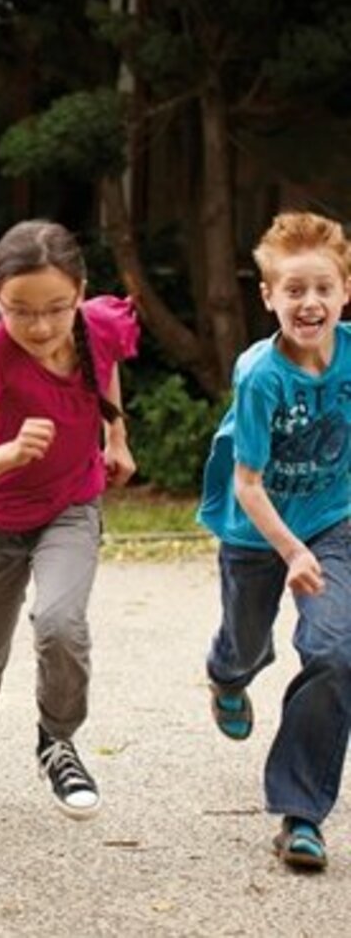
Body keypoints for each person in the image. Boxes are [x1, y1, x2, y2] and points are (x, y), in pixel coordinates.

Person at [0, 219, 138, 819]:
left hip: (71, 505)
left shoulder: (99, 326)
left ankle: (57, 740)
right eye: (20, 311)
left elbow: (107, 366)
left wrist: (116, 436)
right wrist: (11, 452)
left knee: (60, 622)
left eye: (57, 309)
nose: (40, 327)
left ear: (81, 292)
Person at [199, 211, 351, 872]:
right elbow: (250, 482)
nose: (309, 302)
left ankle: (301, 813)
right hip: (257, 530)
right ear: (268, 296)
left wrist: (313, 543)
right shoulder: (261, 374)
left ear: (345, 290)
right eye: (293, 289)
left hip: (335, 518)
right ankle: (226, 674)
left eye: (323, 287)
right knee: (246, 642)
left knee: (336, 650)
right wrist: (290, 550)